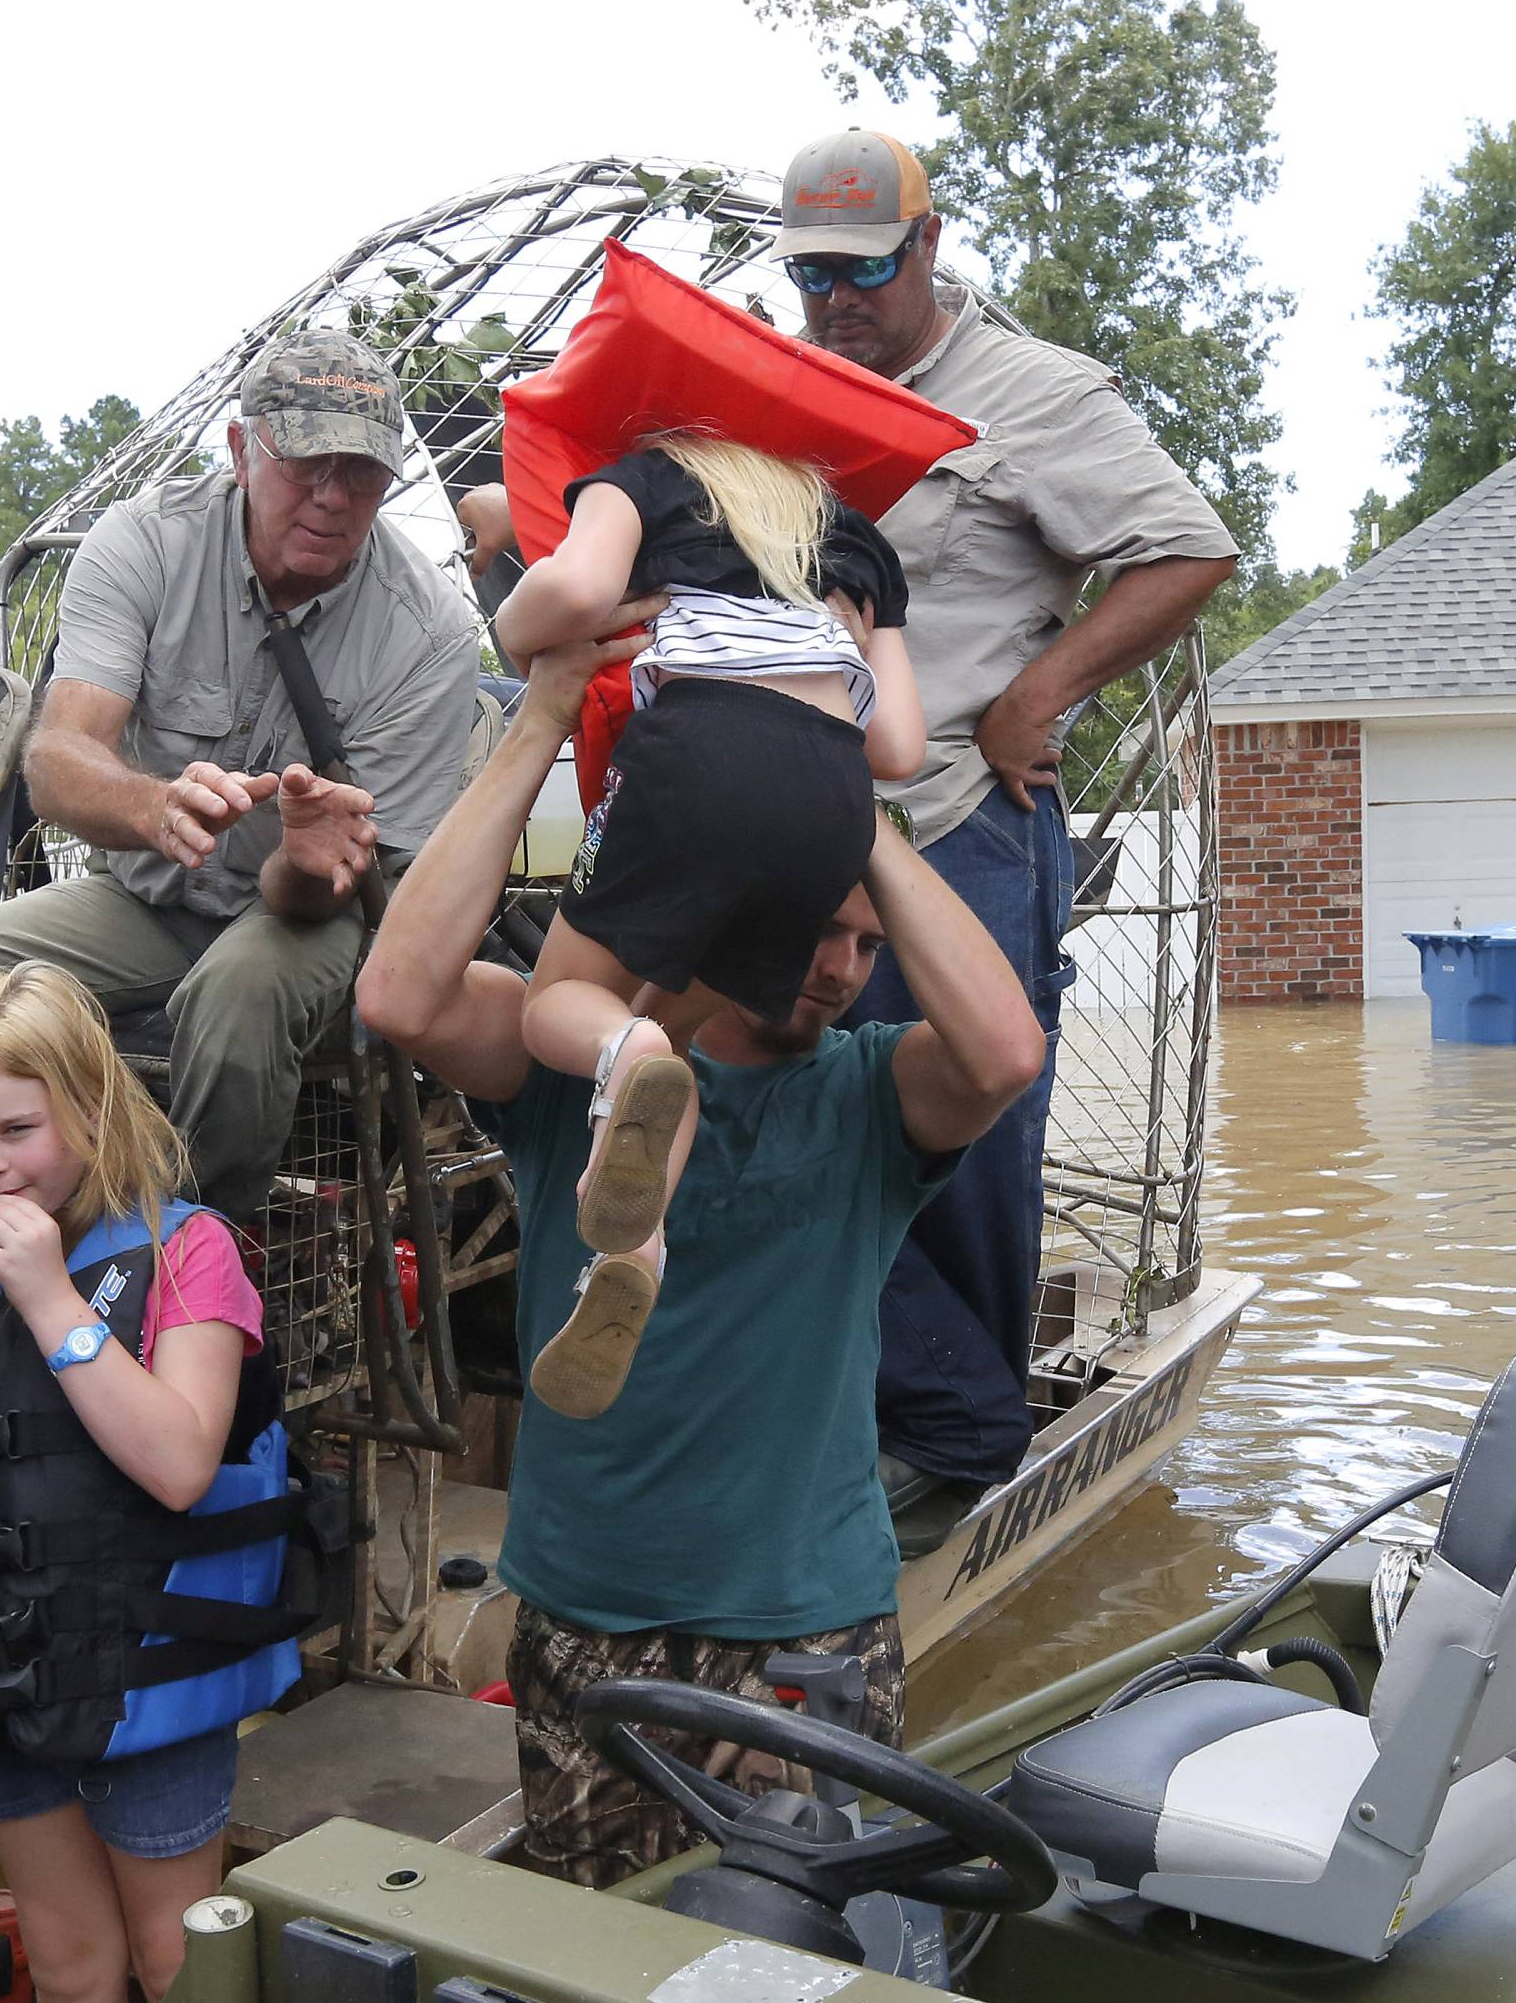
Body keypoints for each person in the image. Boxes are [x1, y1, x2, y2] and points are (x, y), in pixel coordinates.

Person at [355, 626, 1045, 1887]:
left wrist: (839, 802)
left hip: (805, 1624)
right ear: (732, 915)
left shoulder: (874, 1097)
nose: (840, 969)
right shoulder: (570, 1068)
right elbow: (399, 994)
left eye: (865, 944)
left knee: (796, 1983)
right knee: (606, 1975)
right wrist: (547, 710)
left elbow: (1004, 1051)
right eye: (814, 932)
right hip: (588, 1618)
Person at [0, 330, 478, 1445]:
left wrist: (301, 851)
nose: (334, 497)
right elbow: (57, 759)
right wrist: (153, 808)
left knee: (232, 1001)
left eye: (363, 473)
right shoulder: (144, 542)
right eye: (306, 464)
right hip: (149, 895)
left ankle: (175, 1302)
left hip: (312, 914)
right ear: (242, 449)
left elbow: (321, 897)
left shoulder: (427, 629)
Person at [777, 126, 1240, 1514]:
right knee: (801, 1107)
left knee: (966, 1126)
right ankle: (859, 1406)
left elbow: (1193, 546)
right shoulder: (791, 385)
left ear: (927, 244)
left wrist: (1037, 694)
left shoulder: (1030, 393)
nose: (839, 300)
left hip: (960, 820)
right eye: (812, 275)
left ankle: (960, 1442)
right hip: (804, 827)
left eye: (865, 267)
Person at [0, 962, 301, 2003]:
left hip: (149, 1670)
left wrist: (51, 1300)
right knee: (65, 1958)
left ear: (90, 1107)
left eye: (16, 1129)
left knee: (171, 1956)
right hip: (3, 1671)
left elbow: (182, 1463)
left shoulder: (189, 1251)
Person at [493, 430, 924, 1418]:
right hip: (830, 809)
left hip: (697, 758)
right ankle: (636, 1252)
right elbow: (897, 745)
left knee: (564, 1005)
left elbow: (567, 595)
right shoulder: (856, 539)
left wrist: (520, 633)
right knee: (672, 1041)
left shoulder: (649, 474)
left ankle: (623, 1045)